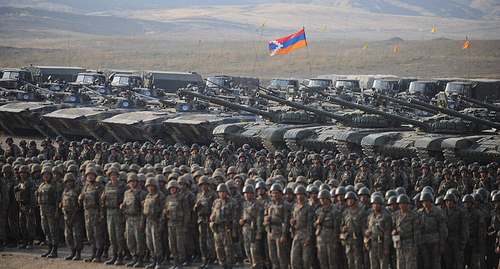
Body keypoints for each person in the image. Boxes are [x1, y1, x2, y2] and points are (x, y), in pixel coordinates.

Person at [102, 166, 128, 265]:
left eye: (114, 175)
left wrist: (123, 215)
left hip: (118, 212)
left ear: (117, 175)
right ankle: (114, 255)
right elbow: (103, 200)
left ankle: (120, 256)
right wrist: (103, 199)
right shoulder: (107, 186)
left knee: (119, 235)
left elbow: (126, 200)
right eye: (111, 175)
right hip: (109, 212)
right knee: (111, 235)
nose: (113, 177)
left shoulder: (122, 186)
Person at [79, 166, 105, 263]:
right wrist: (79, 199)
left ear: (95, 175)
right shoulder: (85, 187)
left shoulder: (99, 187)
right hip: (87, 213)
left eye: (92, 174)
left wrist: (101, 215)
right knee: (90, 235)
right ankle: (93, 252)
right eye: (88, 175)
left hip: (96, 212)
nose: (90, 176)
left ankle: (99, 253)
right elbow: (82, 202)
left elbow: (102, 203)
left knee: (97, 234)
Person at [210, 183, 238, 269]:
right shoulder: (216, 202)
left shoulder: (232, 202)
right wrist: (212, 217)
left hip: (227, 229)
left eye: (224, 192)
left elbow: (235, 218)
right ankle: (222, 264)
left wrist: (234, 231)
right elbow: (213, 213)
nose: (222, 193)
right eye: (220, 192)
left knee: (228, 249)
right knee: (219, 249)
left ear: (227, 192)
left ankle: (230, 266)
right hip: (217, 229)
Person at [163, 180, 190, 268]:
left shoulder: (182, 198)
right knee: (172, 244)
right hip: (170, 223)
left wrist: (185, 226)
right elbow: (166, 209)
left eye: (173, 188)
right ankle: (176, 261)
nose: (172, 189)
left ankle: (181, 262)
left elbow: (187, 213)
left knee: (180, 244)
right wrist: (165, 213)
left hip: (179, 223)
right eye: (170, 188)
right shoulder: (168, 198)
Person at [418, 192, 448, 269]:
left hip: (435, 242)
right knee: (426, 263)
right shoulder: (419, 213)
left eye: (427, 201)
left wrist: (442, 244)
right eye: (423, 201)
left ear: (431, 201)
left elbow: (443, 228)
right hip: (424, 242)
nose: (425, 203)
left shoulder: (438, 212)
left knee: (436, 263)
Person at [37, 166, 61, 258]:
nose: (46, 176)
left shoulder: (55, 185)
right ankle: (49, 248)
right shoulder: (42, 185)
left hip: (51, 211)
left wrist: (57, 212)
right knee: (46, 230)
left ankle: (54, 250)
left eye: (48, 174)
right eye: (44, 174)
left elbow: (57, 200)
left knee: (53, 230)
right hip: (43, 210)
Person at [142, 177, 166, 269]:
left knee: (157, 242)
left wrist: (161, 224)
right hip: (148, 220)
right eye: (148, 186)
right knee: (149, 242)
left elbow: (163, 211)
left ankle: (159, 261)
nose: (150, 188)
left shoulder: (160, 196)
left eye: (152, 186)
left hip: (156, 221)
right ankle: (154, 259)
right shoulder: (148, 196)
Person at [392, 194, 420, 269]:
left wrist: (415, 247)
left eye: (404, 203)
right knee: (400, 264)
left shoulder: (413, 215)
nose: (403, 205)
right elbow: (392, 227)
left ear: (407, 204)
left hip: (410, 243)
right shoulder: (395, 215)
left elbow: (416, 232)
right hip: (399, 243)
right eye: (401, 203)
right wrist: (393, 231)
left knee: (410, 265)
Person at [240, 184, 265, 269]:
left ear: (253, 194)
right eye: (245, 193)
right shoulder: (245, 204)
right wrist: (242, 220)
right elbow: (243, 215)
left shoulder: (258, 204)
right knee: (247, 251)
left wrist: (259, 233)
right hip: (246, 229)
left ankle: (257, 266)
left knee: (254, 251)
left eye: (249, 193)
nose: (247, 195)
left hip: (254, 229)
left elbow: (260, 219)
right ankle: (252, 265)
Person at [60, 173, 84, 261]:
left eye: (71, 181)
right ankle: (72, 251)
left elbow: (81, 203)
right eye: (67, 182)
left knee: (77, 235)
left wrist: (79, 204)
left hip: (76, 216)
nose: (69, 183)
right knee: (68, 235)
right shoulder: (65, 191)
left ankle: (78, 253)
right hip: (67, 215)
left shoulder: (78, 190)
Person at [194, 176, 217, 269]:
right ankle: (205, 259)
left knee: (209, 240)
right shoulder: (199, 195)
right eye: (202, 184)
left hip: (209, 220)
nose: (204, 186)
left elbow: (216, 207)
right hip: (201, 220)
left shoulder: (213, 194)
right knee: (202, 241)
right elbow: (194, 208)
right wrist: (196, 206)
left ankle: (211, 259)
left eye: (205, 184)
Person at [314, 189, 340, 269]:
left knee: (332, 262)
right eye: (320, 199)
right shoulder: (318, 211)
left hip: (331, 240)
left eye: (323, 198)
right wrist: (318, 222)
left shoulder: (334, 211)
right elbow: (314, 225)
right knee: (322, 261)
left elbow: (337, 228)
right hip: (320, 240)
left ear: (328, 199)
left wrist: (336, 242)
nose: (322, 200)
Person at [290, 185, 314, 269]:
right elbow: (292, 218)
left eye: (301, 194)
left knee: (306, 260)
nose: (300, 196)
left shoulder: (308, 207)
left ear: (305, 195)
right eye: (298, 194)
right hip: (296, 234)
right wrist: (292, 222)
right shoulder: (295, 206)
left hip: (305, 234)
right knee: (294, 259)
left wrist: (309, 238)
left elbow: (310, 224)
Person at [365, 195, 392, 269]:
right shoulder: (370, 216)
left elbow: (387, 233)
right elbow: (367, 228)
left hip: (382, 244)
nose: (376, 206)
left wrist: (386, 248)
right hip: (372, 244)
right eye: (374, 204)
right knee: (373, 265)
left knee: (383, 265)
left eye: (377, 204)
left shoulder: (385, 216)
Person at [341, 191, 366, 269]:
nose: (350, 201)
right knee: (349, 260)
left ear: (355, 200)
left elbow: (364, 227)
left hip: (357, 239)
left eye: (351, 199)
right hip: (348, 239)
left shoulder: (361, 212)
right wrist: (343, 229)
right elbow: (341, 225)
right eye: (348, 200)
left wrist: (365, 242)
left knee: (358, 260)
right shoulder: (345, 213)